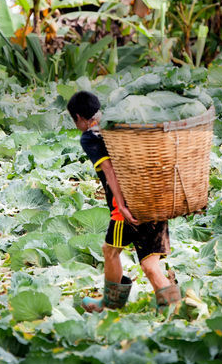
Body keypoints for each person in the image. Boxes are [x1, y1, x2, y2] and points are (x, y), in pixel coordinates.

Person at [66, 90, 181, 312]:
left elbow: (109, 169)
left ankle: (111, 304)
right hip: (154, 198)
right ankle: (177, 310)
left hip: (126, 207)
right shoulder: (119, 127)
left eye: (74, 120)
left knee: (111, 252)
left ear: (79, 117)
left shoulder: (91, 136)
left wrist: (122, 205)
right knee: (149, 264)